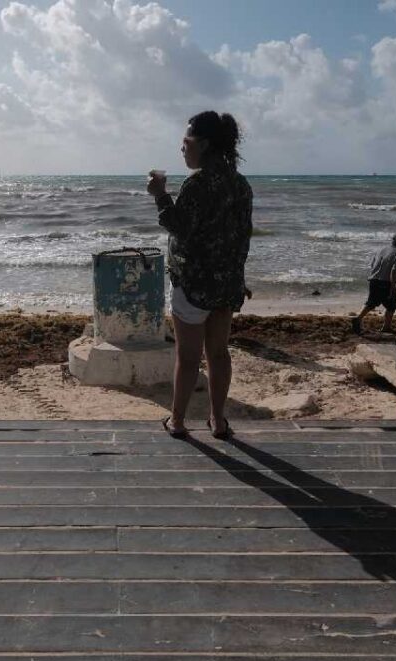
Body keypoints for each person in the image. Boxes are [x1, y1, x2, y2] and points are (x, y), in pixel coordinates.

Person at [147, 111, 252, 439]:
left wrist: (160, 195)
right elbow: (242, 235)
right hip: (226, 284)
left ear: (204, 144)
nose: (183, 150)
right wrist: (238, 276)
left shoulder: (198, 183)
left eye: (186, 143)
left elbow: (180, 227)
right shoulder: (240, 184)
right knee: (219, 353)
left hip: (193, 284)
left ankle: (177, 422)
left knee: (188, 356)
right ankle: (218, 421)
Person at [352, 231, 396, 335]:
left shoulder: (380, 250)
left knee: (371, 303)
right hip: (385, 282)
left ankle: (358, 319)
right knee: (392, 304)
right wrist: (392, 287)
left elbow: (372, 265)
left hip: (373, 280)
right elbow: (394, 271)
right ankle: (386, 327)